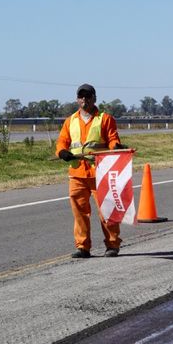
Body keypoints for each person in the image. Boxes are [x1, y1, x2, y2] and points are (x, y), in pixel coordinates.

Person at [56, 83, 128, 258]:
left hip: (100, 173)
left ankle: (112, 245)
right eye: (81, 97)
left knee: (107, 211)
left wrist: (115, 146)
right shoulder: (70, 121)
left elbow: (112, 139)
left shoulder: (105, 118)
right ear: (77, 99)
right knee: (80, 213)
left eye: (88, 97)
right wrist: (62, 152)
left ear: (94, 98)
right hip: (77, 174)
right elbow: (62, 142)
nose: (84, 100)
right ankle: (83, 247)